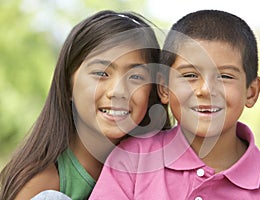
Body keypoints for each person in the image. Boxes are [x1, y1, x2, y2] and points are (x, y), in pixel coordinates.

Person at [89, 10, 260, 199]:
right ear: (163, 88)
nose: (206, 89)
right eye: (190, 75)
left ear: (251, 92)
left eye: (225, 76)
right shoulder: (132, 161)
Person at [0, 10, 170, 200]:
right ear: (68, 84)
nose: (118, 91)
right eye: (100, 73)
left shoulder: (166, 171)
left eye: (136, 77)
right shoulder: (41, 184)